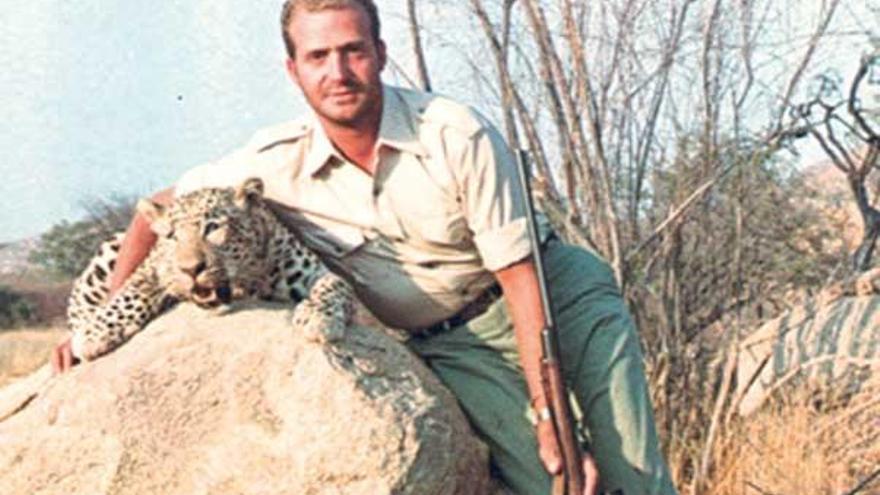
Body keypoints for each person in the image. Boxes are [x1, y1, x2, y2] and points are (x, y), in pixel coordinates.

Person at [52, 1, 677, 494]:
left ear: (380, 54)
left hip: (552, 293)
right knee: (556, 484)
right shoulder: (271, 164)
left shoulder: (455, 133)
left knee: (629, 472)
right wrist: (105, 326)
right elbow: (153, 217)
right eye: (318, 56)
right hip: (450, 337)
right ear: (292, 71)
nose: (338, 72)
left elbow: (520, 278)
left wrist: (549, 415)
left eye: (353, 51)